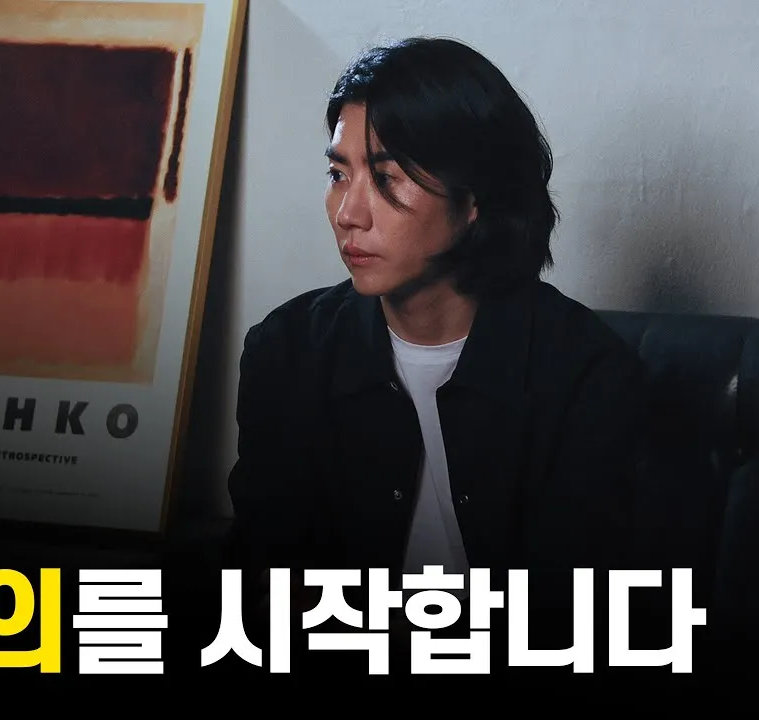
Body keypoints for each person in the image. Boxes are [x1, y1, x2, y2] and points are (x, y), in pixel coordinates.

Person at [224, 37, 648, 676]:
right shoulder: (287, 352)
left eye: (386, 178)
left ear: (474, 200)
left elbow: (577, 619)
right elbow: (263, 584)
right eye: (338, 175)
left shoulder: (586, 373)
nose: (348, 213)